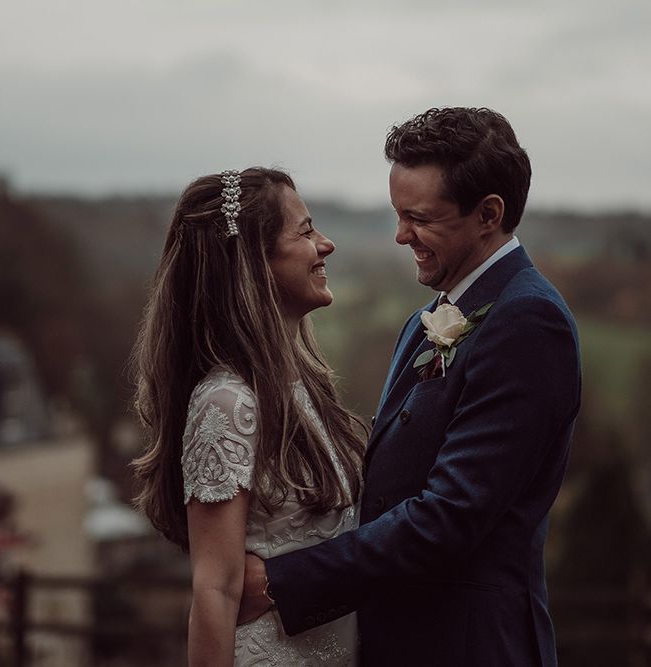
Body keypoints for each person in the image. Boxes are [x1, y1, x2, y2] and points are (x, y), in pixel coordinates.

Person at [239, 108, 582, 667]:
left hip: (467, 647)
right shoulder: (429, 317)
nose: (402, 236)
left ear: (488, 214)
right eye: (398, 215)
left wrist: (284, 581)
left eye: (419, 218)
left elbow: (450, 517)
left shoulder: (527, 322)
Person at [131, 167, 365, 666]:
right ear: (254, 263)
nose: (326, 244)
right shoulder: (228, 403)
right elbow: (214, 591)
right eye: (304, 231)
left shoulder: (303, 387)